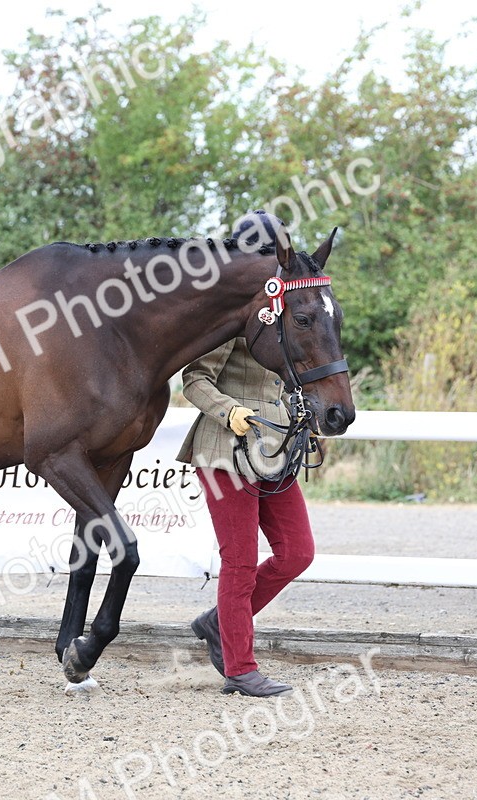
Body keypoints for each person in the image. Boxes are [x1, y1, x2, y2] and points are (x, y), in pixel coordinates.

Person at [176, 212, 315, 697]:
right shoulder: (231, 315)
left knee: (298, 552)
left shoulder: (283, 307)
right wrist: (230, 411)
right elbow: (194, 379)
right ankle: (240, 667)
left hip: (273, 449)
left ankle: (218, 623)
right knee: (239, 561)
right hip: (223, 450)